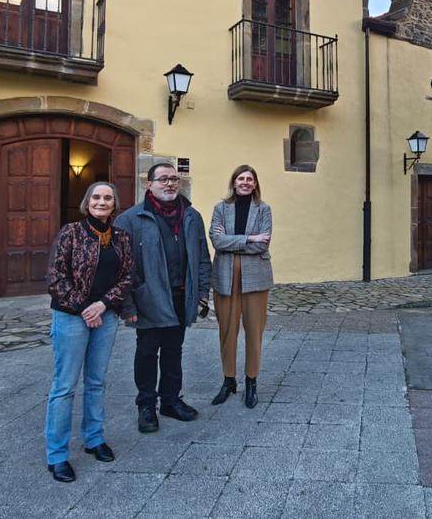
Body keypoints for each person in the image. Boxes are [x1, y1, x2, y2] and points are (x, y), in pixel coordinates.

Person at [44, 182, 137, 483]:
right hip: (71, 317)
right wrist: (86, 307)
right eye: (96, 197)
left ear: (114, 204)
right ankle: (57, 455)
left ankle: (94, 438)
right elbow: (56, 277)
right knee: (65, 386)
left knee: (96, 381)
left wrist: (103, 305)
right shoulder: (70, 233)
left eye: (108, 198)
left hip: (105, 316)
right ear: (87, 202)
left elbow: (127, 277)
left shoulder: (121, 237)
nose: (101, 202)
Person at [113, 162, 212, 433]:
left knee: (174, 350)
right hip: (148, 298)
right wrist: (128, 305)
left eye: (174, 179)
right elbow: (122, 268)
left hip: (180, 296)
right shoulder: (130, 219)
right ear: (149, 184)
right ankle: (146, 405)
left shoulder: (192, 216)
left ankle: (170, 400)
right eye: (163, 179)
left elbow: (203, 257)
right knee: (147, 352)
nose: (169, 183)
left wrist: (202, 293)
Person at [209, 164, 274, 409]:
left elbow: (263, 245)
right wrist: (249, 238)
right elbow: (217, 241)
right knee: (227, 329)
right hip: (225, 275)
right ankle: (228, 380)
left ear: (255, 184)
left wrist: (233, 242)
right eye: (241, 179)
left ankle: (251, 381)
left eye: (249, 179)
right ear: (234, 182)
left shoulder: (264, 209)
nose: (245, 182)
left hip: (255, 276)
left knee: (254, 331)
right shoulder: (220, 208)